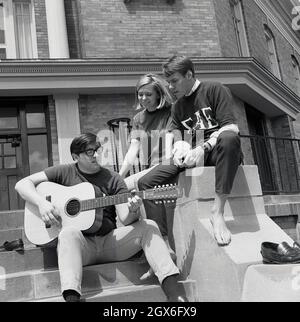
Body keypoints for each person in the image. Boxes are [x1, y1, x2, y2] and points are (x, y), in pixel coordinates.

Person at [15, 132, 188, 302]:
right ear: (76, 156)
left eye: (97, 150)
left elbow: (125, 218)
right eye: (90, 152)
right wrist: (41, 203)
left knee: (149, 225)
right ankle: (71, 297)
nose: (96, 155)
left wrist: (134, 209)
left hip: (110, 243)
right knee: (68, 233)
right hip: (82, 248)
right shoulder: (64, 172)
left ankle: (175, 293)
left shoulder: (113, 178)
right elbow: (22, 184)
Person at [162, 55, 243, 246]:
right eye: (168, 83)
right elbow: (175, 134)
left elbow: (230, 127)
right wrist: (179, 149)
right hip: (196, 156)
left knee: (229, 139)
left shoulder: (215, 89)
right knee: (153, 177)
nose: (171, 87)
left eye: (174, 81)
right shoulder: (177, 107)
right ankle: (164, 242)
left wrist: (203, 147)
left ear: (189, 74)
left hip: (219, 151)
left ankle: (218, 212)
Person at [119, 74, 182, 259]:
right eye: (140, 94)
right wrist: (119, 176)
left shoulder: (171, 111)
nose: (143, 98)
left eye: (148, 94)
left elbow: (170, 142)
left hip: (168, 163)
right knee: (118, 188)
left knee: (142, 183)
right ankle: (134, 244)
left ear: (158, 95)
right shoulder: (138, 118)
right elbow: (133, 149)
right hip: (150, 167)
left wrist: (161, 165)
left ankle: (162, 243)